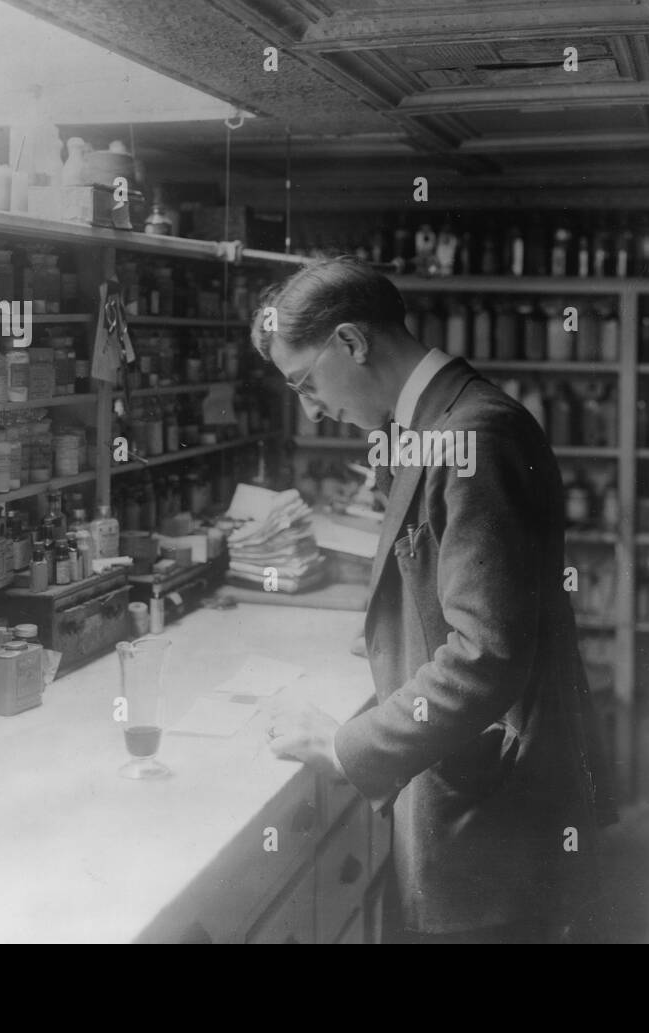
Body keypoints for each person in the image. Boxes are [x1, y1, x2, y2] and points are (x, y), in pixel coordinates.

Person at [252, 257, 616, 943]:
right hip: (471, 786)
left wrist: (342, 742)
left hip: (496, 821)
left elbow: (486, 656)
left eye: (307, 383)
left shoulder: (472, 434)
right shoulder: (431, 419)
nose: (311, 408)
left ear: (354, 343)